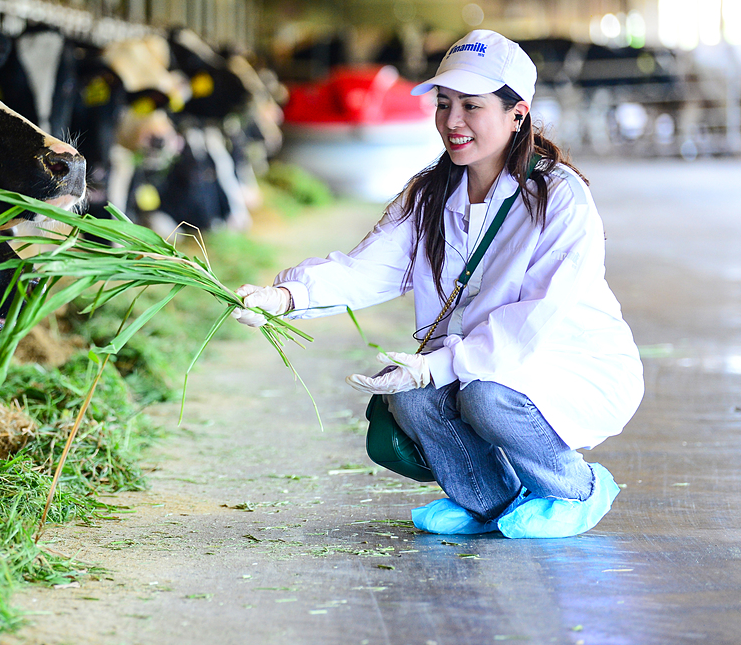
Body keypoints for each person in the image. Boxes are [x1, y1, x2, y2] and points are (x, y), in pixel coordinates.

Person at [233, 30, 643, 539]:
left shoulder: (558, 196)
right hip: (483, 363)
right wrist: (288, 296)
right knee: (410, 398)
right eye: (444, 103)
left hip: (568, 362)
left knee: (484, 397)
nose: (452, 122)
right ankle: (494, 502)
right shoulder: (431, 191)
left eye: (473, 106)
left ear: (518, 115)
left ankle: (574, 490)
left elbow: (537, 316)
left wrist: (438, 366)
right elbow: (367, 267)